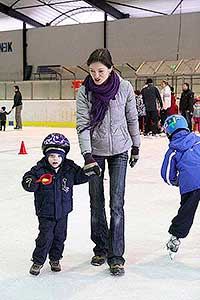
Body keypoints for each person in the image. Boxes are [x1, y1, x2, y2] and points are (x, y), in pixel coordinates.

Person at [76, 48, 140, 276]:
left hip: (121, 151)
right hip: (95, 152)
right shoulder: (85, 91)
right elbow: (82, 124)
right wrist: (87, 155)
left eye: (101, 70)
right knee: (96, 203)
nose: (96, 75)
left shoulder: (124, 87)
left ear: (111, 69)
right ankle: (100, 248)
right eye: (92, 71)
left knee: (116, 204)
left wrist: (136, 145)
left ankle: (116, 256)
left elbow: (132, 117)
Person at [22, 132, 97, 276]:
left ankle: (55, 259)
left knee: (60, 237)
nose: (55, 159)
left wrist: (90, 172)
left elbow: (79, 176)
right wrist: (30, 182)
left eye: (58, 156)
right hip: (46, 212)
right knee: (45, 237)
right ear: (46, 156)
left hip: (63, 211)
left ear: (64, 156)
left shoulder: (69, 168)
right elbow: (28, 179)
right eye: (51, 156)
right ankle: (38, 261)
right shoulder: (39, 169)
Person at [161, 114, 200, 259]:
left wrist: (178, 181)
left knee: (186, 212)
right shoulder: (198, 141)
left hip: (190, 185)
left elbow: (166, 175)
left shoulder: (173, 151)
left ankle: (175, 237)